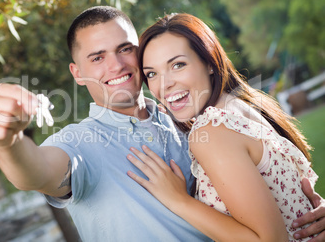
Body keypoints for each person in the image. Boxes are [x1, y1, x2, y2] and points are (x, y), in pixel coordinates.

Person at [0, 6, 325, 241]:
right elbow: (37, 171)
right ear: (77, 73)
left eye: (125, 49)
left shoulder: (188, 119)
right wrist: (7, 142)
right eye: (97, 57)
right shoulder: (80, 142)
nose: (116, 65)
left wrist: (302, 209)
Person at [126, 12, 323, 241]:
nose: (164, 84)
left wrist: (178, 200)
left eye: (178, 65)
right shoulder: (241, 106)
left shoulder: (211, 130)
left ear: (209, 62)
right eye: (152, 73)